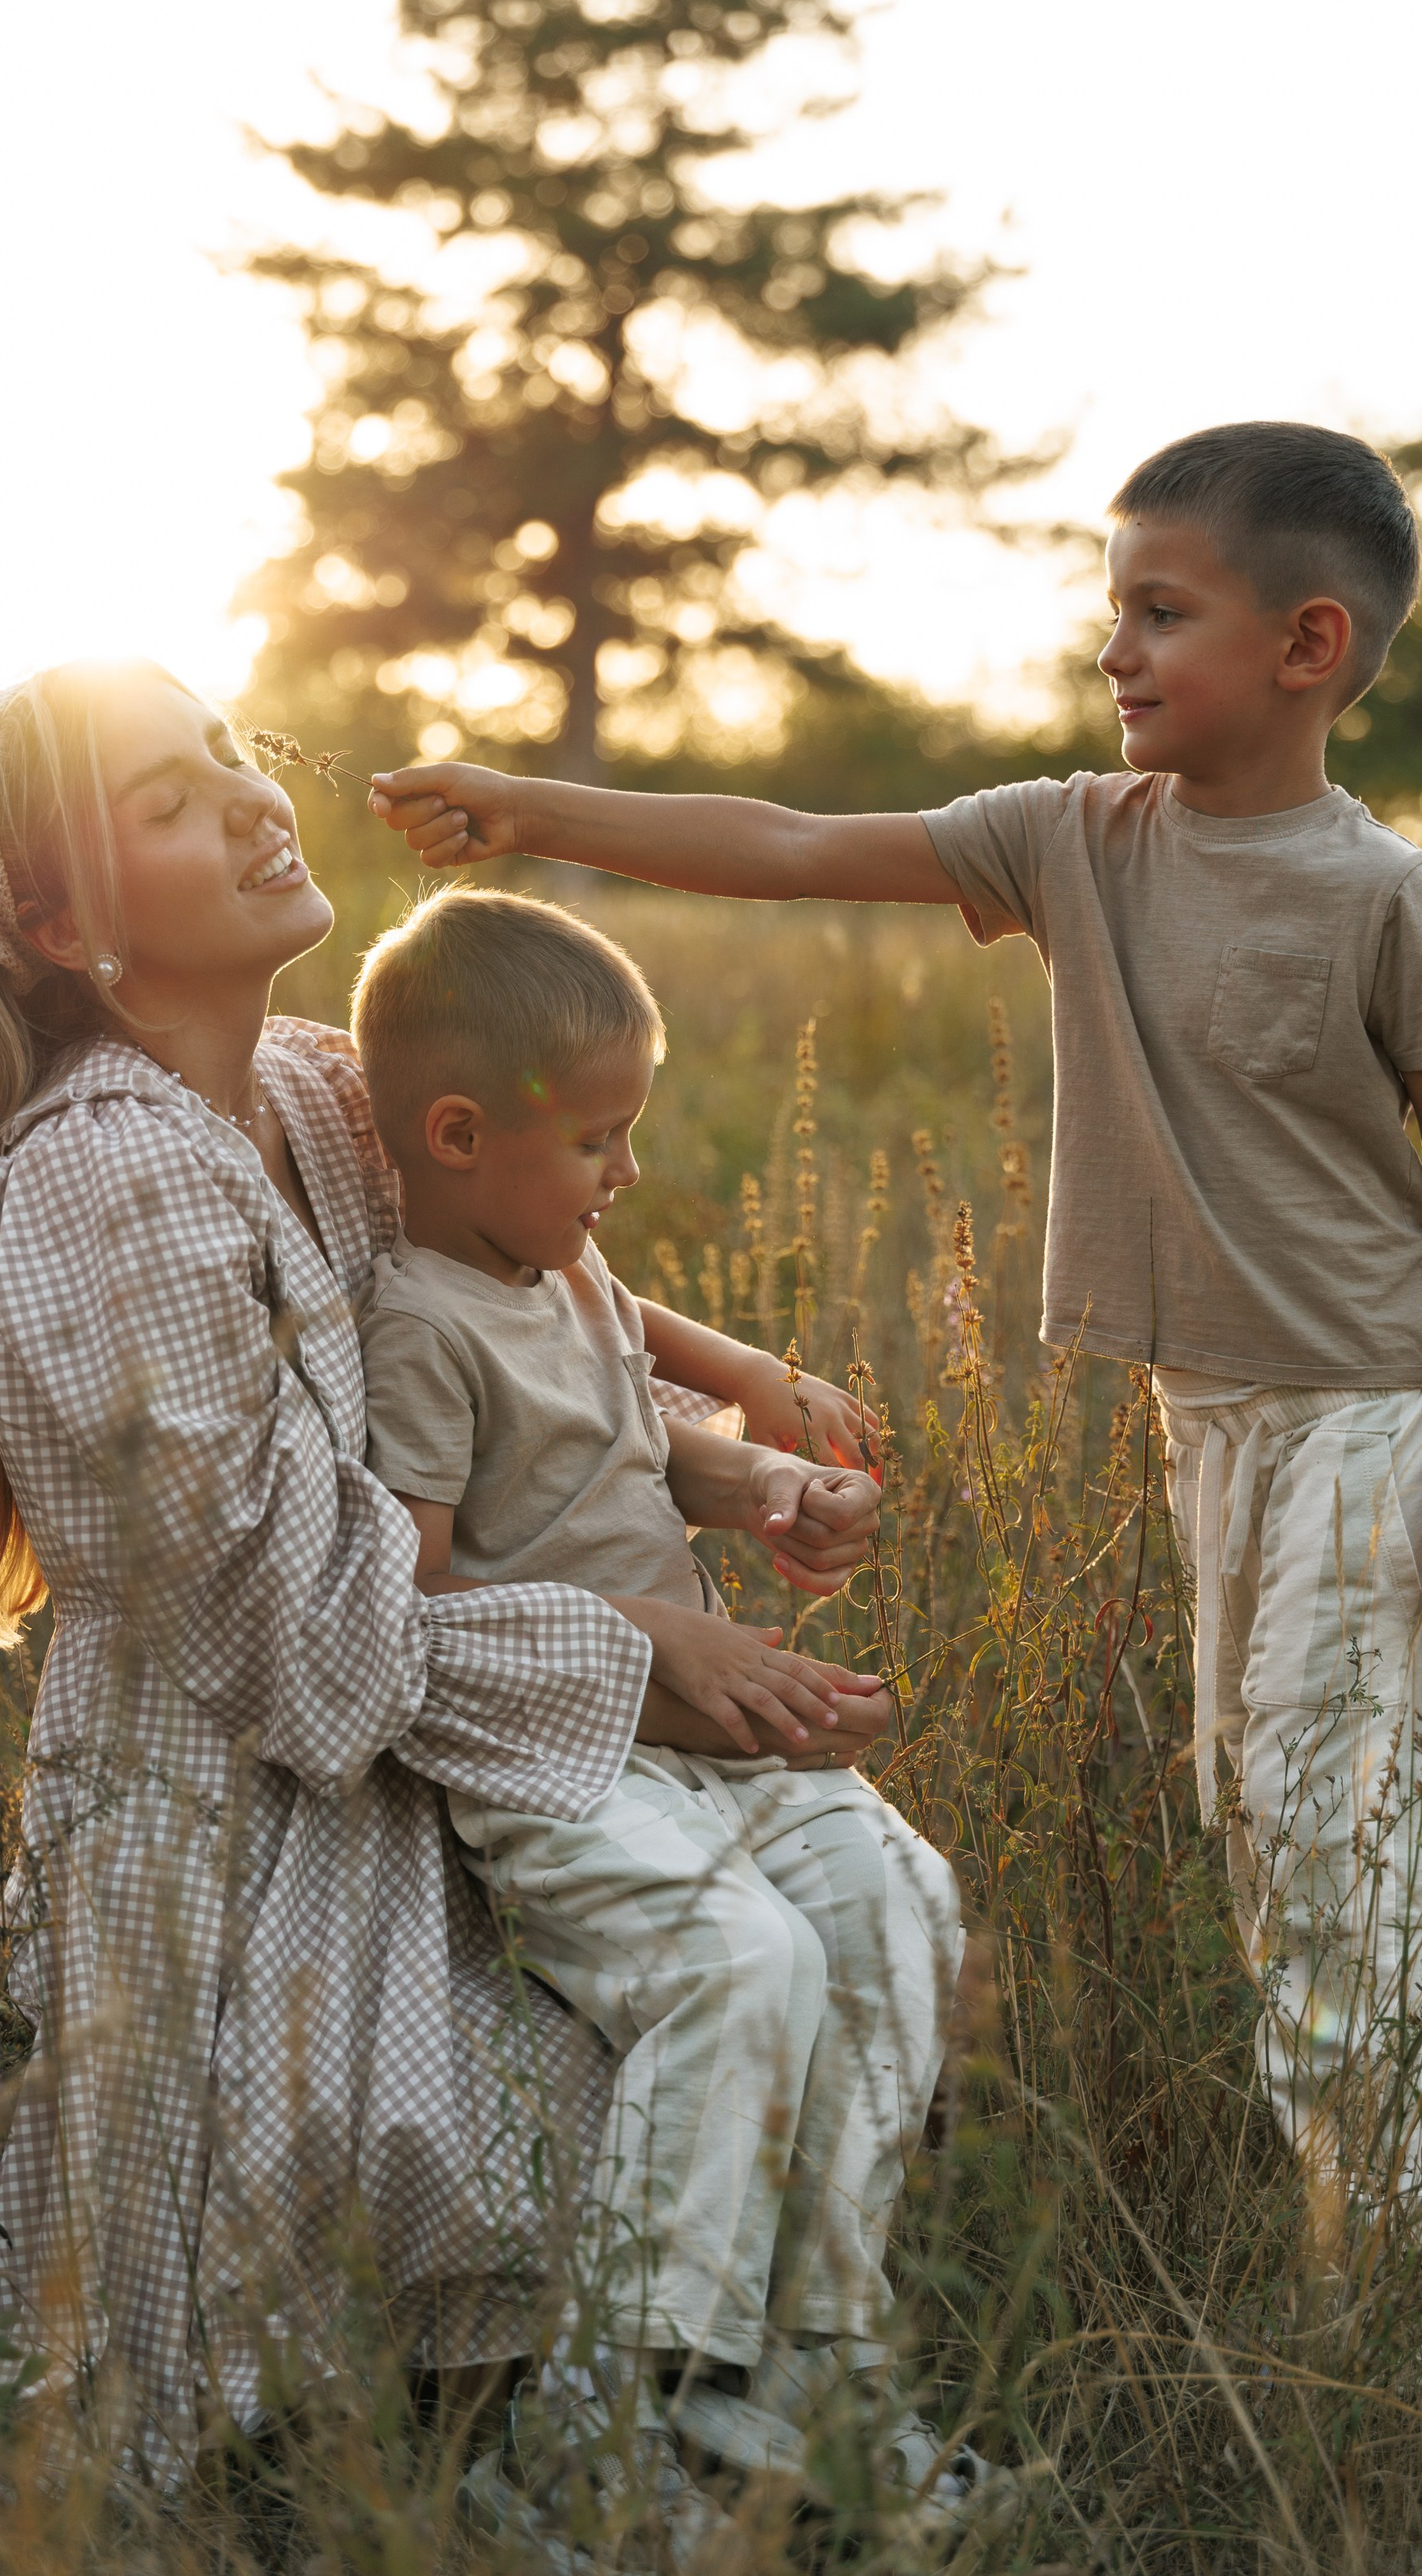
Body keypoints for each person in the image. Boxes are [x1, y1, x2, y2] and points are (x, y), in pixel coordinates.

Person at [371, 421, 1422, 2250]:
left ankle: (1400, 2255)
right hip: (1214, 1418)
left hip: (1369, 1417)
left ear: (1303, 648)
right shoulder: (1072, 839)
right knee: (1257, 1810)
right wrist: (531, 808)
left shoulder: (1381, 896)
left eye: (1160, 612)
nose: (1114, 650)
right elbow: (780, 840)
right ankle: (1364, 2212)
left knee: (1340, 1834)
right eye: (1112, 610)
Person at [0, 658, 893, 2500]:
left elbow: (517, 1343)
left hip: (450, 1732)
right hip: (247, 1813)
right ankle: (578, 2458)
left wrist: (726, 1449)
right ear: (65, 926)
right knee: (658, 2010)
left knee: (861, 1912)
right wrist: (632, 1641)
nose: (252, 802)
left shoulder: (325, 1094)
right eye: (170, 802)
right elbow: (290, 1636)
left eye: (232, 759)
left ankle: (782, 2417)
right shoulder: (100, 1189)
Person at [346, 885, 987, 2547]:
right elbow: (404, 1605)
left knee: (899, 1903)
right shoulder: (419, 1323)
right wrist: (633, 1629)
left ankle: (821, 2355)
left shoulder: (559, 1261)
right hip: (562, 1757)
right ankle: (617, 2411)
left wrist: (761, 1476)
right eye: (601, 1139)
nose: (625, 1173)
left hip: (701, 1730)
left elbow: (635, 1443)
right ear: (461, 1131)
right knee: (737, 1960)